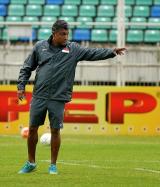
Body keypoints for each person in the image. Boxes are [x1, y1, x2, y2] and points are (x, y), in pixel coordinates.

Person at [17, 20, 126, 174]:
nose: (66, 37)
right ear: (54, 34)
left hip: (58, 97)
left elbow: (92, 53)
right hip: (39, 95)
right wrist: (21, 86)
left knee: (55, 130)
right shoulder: (40, 47)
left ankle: (53, 165)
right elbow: (27, 67)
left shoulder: (73, 49)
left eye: (67, 34)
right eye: (63, 34)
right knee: (33, 128)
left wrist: (112, 51)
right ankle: (31, 162)